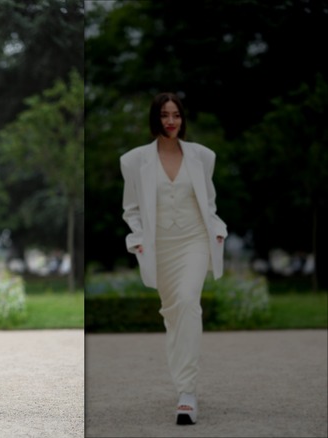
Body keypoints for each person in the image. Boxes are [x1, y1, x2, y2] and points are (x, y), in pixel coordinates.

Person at [120, 92, 227, 425]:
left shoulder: (203, 156)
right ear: (156, 118)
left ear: (183, 119)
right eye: (165, 115)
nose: (171, 121)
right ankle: (183, 384)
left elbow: (209, 203)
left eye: (176, 115)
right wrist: (138, 238)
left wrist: (218, 229)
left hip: (194, 239)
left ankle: (187, 393)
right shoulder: (133, 160)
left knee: (188, 302)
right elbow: (131, 209)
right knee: (173, 315)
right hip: (159, 246)